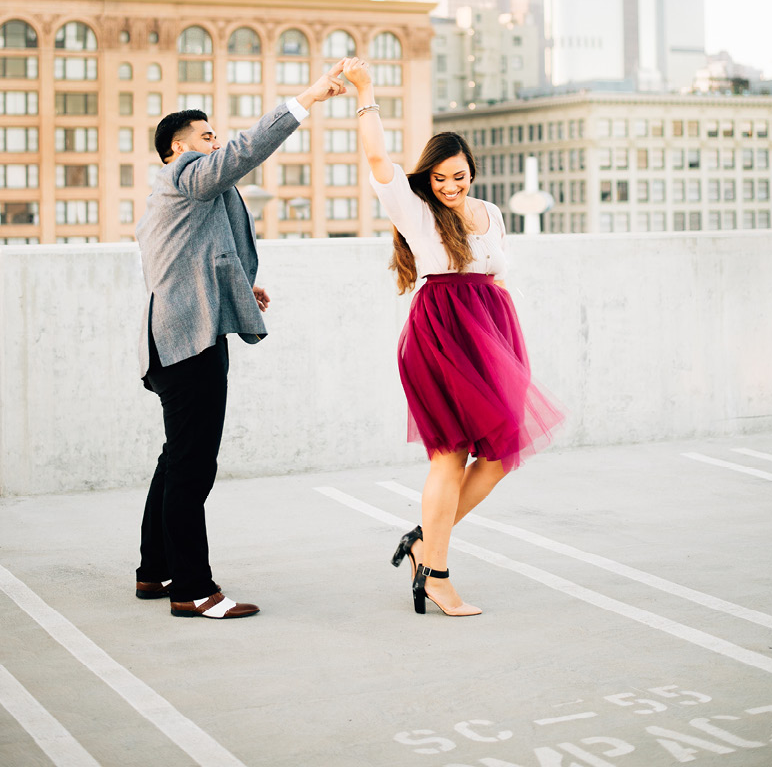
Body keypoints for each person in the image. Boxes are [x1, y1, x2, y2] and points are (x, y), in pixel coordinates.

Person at [342, 57, 564, 618]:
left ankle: (423, 543)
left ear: (473, 171)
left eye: (457, 175)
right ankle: (436, 574)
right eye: (438, 177)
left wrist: (506, 344)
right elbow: (375, 156)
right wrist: (365, 92)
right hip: (441, 333)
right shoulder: (415, 211)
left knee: (499, 452)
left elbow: (498, 275)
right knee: (450, 455)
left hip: (490, 332)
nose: (448, 186)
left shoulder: (490, 212)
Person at [135, 63, 346, 619]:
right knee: (193, 467)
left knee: (175, 458)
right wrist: (309, 97)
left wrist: (239, 290)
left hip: (173, 338)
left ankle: (153, 571)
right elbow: (243, 153)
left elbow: (187, 259)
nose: (217, 143)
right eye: (205, 137)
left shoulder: (180, 197)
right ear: (174, 150)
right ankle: (193, 589)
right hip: (189, 344)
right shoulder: (185, 175)